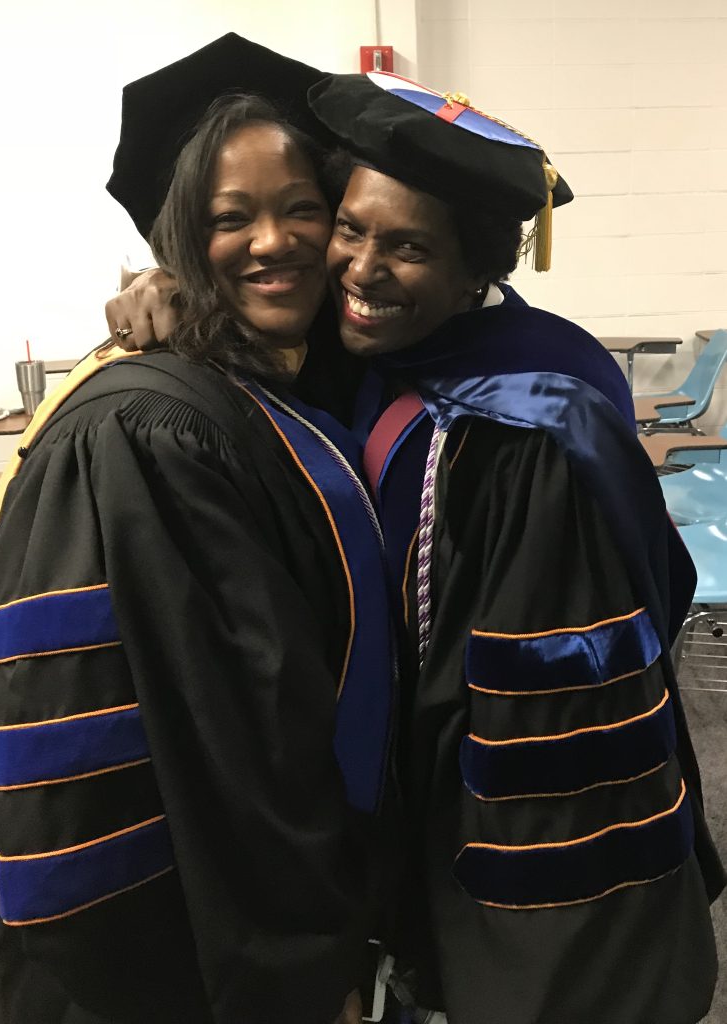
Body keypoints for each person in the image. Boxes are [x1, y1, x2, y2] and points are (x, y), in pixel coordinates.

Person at [107, 38, 725, 1024]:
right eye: (349, 227)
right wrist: (179, 287)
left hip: (529, 893)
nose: (357, 268)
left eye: (408, 247)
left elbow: (542, 734)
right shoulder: (384, 356)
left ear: (473, 266)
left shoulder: (527, 421)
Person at [0, 51, 396, 1024]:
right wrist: (303, 962)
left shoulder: (283, 385)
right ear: (182, 238)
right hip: (179, 957)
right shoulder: (145, 430)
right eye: (228, 218)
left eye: (302, 207)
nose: (274, 240)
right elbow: (224, 745)